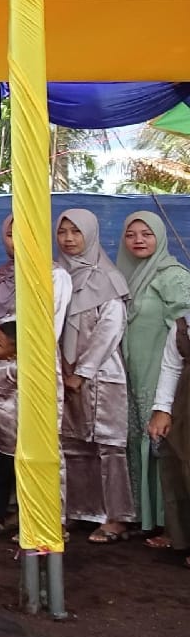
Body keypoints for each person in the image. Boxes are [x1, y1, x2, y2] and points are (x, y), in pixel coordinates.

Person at [0, 217, 72, 536]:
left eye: (25, 234)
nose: (16, 241)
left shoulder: (54, 276)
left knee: (38, 444)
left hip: (31, 373)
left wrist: (9, 352)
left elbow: (48, 328)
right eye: (11, 235)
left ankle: (47, 519)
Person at [55, 207, 135, 543]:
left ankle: (116, 518)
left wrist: (82, 373)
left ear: (90, 234)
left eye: (76, 231)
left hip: (101, 376)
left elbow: (109, 331)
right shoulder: (58, 275)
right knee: (73, 445)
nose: (69, 239)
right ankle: (81, 510)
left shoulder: (108, 278)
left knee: (109, 446)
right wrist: (65, 371)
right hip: (65, 373)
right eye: (63, 232)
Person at [116, 211, 190, 548]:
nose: (138, 240)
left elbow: (183, 332)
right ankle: (147, 517)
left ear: (160, 237)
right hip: (134, 372)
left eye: (147, 234)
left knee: (165, 444)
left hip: (164, 374)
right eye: (131, 234)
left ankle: (170, 526)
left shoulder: (173, 276)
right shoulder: (127, 277)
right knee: (141, 441)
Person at [147, 311, 190, 568]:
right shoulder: (183, 326)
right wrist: (162, 409)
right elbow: (171, 367)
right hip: (186, 408)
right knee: (182, 473)